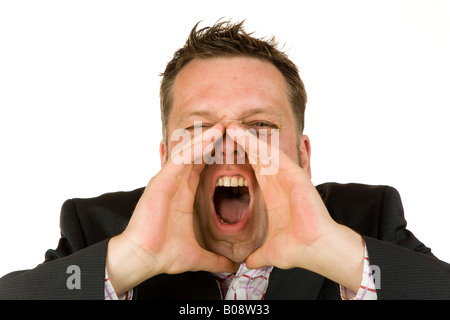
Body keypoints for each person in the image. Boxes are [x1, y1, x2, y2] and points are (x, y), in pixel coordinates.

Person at [0, 20, 449, 300]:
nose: (230, 146)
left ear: (302, 156)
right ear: (165, 158)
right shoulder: (97, 227)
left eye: (259, 127)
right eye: (199, 131)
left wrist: (341, 258)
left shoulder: (367, 219)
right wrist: (127, 262)